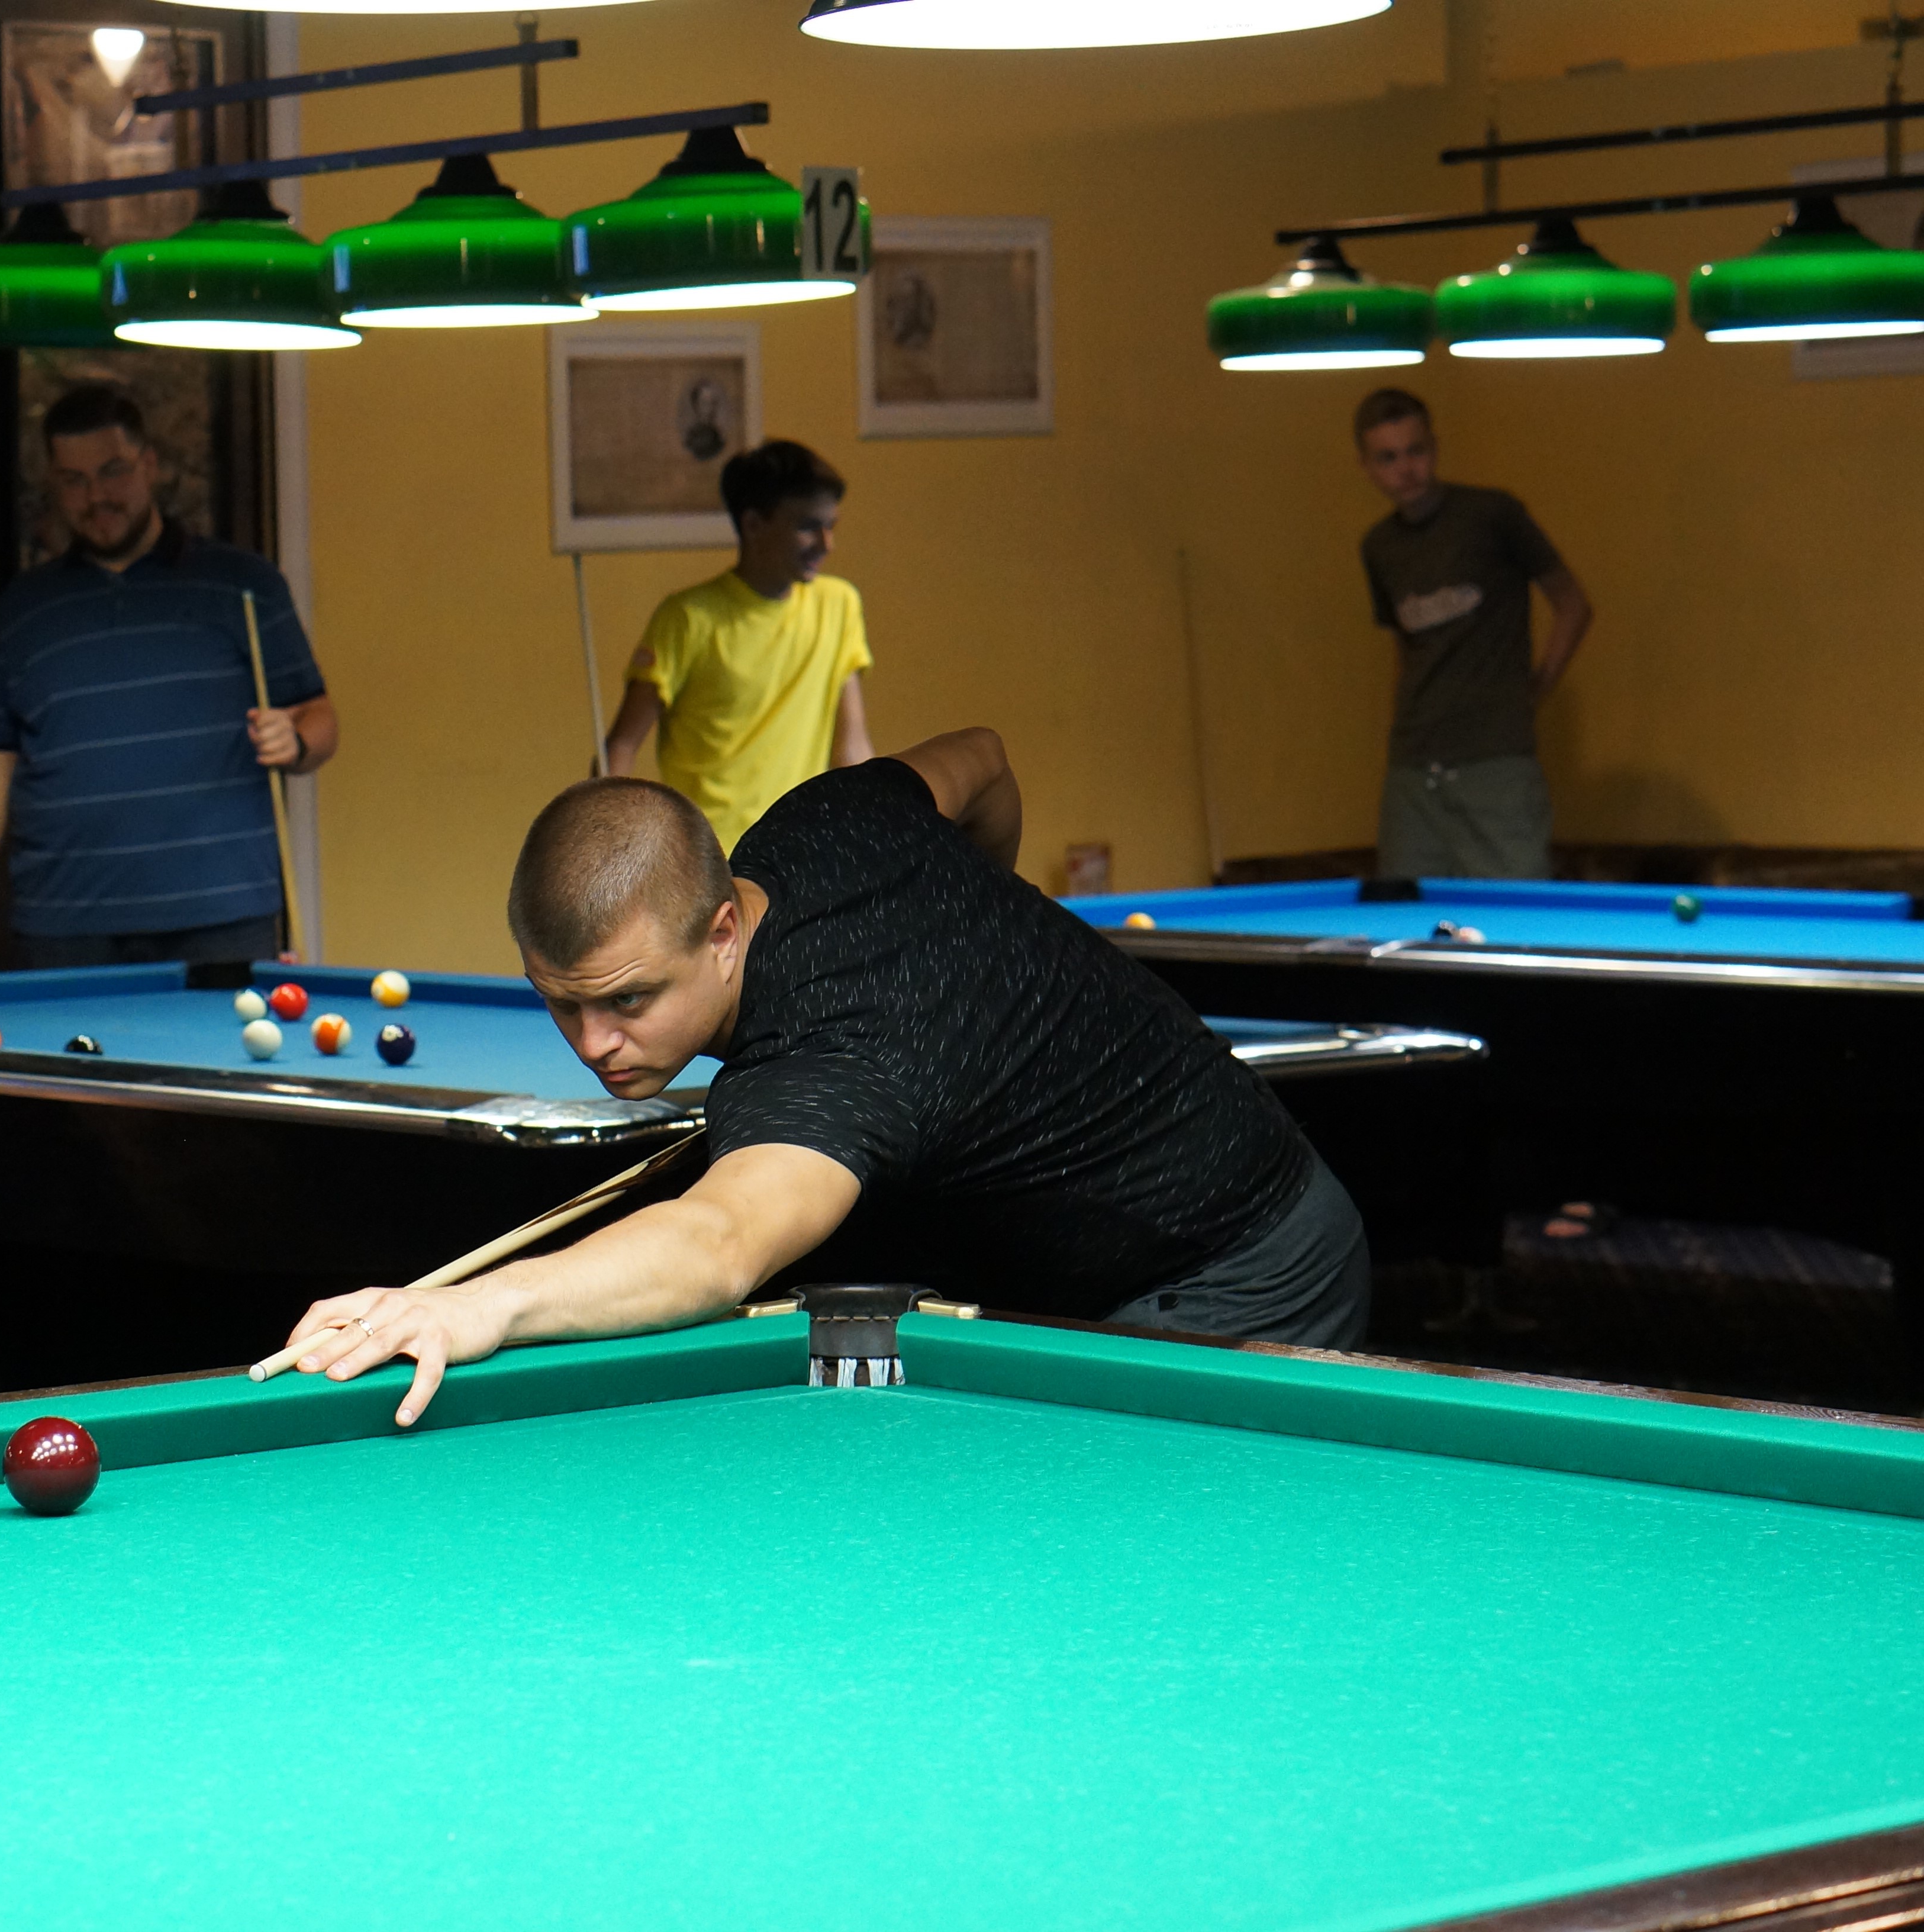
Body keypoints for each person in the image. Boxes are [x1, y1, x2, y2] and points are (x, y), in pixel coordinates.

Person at [266, 735, 1371, 1427]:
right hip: (1135, 1226)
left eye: (631, 999)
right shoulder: (830, 814)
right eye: (561, 1002)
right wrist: (982, 932)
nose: (593, 1044)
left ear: (723, 929)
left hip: (1240, 1262)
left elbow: (716, 1245)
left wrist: (477, 1304)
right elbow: (983, 761)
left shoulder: (824, 1066)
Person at [0, 385, 336, 972]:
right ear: (52, 484)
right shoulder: (26, 608)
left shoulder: (243, 585)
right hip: (64, 922)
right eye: (73, 480)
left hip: (220, 915)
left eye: (113, 472)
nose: (96, 496)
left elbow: (319, 718)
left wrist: (295, 740)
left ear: (149, 466)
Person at [1353, 389, 1592, 880]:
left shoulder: (1492, 515)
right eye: (1388, 458)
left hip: (1496, 761)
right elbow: (1404, 648)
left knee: (1517, 909)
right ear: (1367, 467)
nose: (1406, 470)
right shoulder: (1378, 546)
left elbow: (1573, 604)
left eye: (1415, 451)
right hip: (1413, 769)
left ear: (1434, 448)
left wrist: (1536, 691)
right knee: (1408, 910)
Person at [602, 440, 874, 850]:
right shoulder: (688, 618)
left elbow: (852, 748)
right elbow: (621, 747)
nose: (826, 543)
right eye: (807, 527)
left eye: (830, 526)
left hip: (798, 854)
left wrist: (874, 837)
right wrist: (612, 839)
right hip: (706, 857)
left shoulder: (840, 605)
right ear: (753, 524)